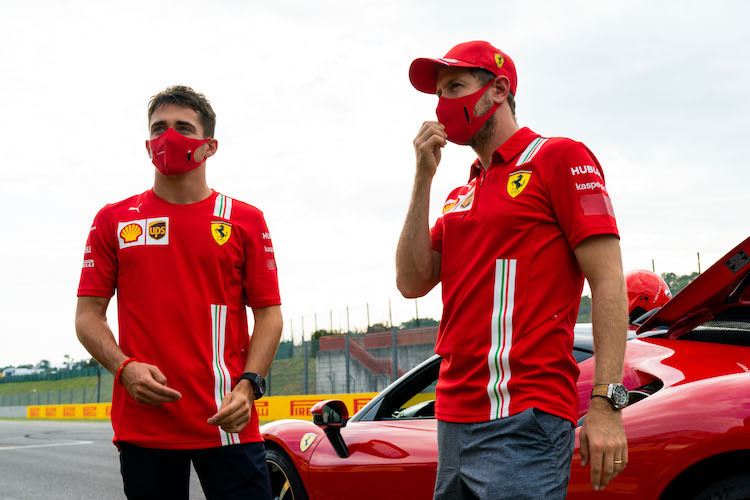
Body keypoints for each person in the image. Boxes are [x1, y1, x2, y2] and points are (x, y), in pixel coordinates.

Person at [396, 41, 629, 498]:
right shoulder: (462, 192)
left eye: (455, 87)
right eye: (438, 94)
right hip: (452, 418)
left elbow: (609, 281)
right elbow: (411, 282)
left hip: (525, 416)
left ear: (499, 89)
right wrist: (423, 177)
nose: (443, 105)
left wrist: (606, 403)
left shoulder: (559, 157)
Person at [75, 85, 283, 499]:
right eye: (159, 128)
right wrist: (124, 367)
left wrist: (249, 385)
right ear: (147, 144)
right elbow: (87, 316)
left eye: (183, 128)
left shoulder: (244, 219)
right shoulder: (114, 220)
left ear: (209, 146)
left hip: (228, 422)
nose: (169, 137)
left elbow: (270, 314)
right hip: (145, 426)